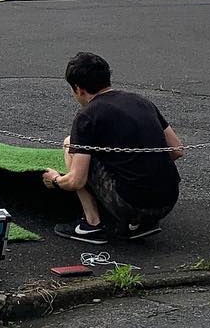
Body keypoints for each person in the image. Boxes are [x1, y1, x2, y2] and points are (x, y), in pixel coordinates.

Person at [41, 51, 182, 243]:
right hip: (168, 200)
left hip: (129, 204)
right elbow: (176, 149)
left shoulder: (87, 115)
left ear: (78, 89)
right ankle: (141, 224)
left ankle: (91, 224)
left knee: (69, 144)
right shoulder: (141, 101)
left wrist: (55, 180)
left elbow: (76, 181)